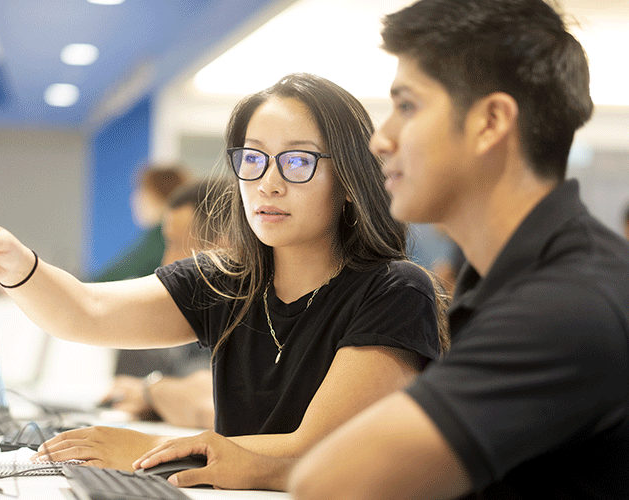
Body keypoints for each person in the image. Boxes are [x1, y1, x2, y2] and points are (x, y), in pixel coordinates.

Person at [137, 0, 629, 497]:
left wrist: (210, 457)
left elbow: (337, 478)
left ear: (490, 122)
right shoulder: (511, 282)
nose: (381, 140)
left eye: (407, 107)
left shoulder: (567, 306)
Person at [0, 73, 448, 477]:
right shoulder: (228, 281)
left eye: (297, 161)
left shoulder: (396, 291)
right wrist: (15, 265)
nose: (268, 183)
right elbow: (86, 312)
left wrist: (152, 448)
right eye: (253, 159)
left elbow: (314, 449)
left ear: (348, 180)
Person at [102, 179, 228, 429]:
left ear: (223, 246)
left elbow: (212, 406)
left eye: (175, 245)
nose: (166, 261)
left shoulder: (247, 317)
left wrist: (151, 391)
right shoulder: (197, 311)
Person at [91, 163, 191, 282]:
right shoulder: (183, 235)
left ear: (154, 195)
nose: (133, 200)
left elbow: (106, 279)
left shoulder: (160, 236)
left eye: (140, 191)